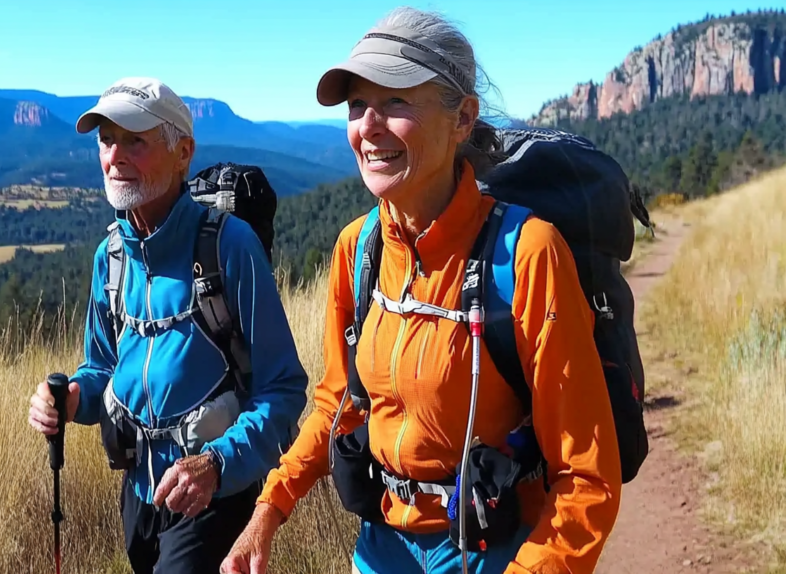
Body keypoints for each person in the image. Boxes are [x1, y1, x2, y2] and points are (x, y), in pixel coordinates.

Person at [221, 7, 623, 574]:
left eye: (396, 101)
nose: (368, 126)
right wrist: (268, 511)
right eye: (358, 105)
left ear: (462, 119)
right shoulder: (358, 251)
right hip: (381, 547)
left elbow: (585, 476)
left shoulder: (528, 254)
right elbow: (339, 402)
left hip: (493, 548)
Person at [27, 76, 309, 574]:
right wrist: (73, 396)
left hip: (211, 494)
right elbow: (103, 367)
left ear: (183, 152)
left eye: (135, 140)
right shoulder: (110, 257)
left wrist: (218, 464)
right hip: (139, 492)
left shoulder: (228, 247)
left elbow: (284, 388)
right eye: (106, 140)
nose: (116, 155)